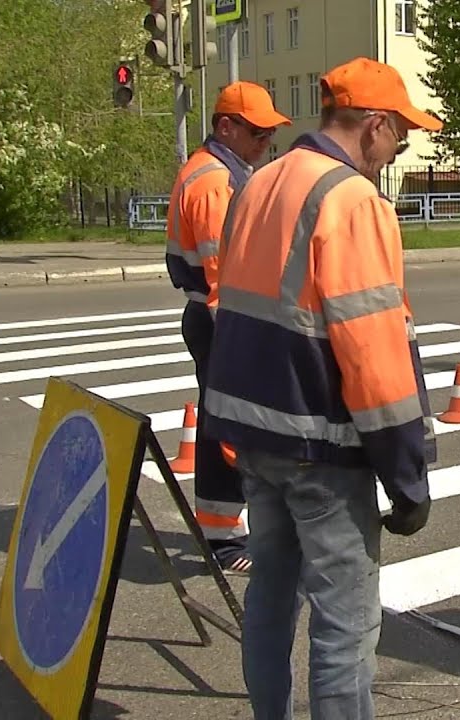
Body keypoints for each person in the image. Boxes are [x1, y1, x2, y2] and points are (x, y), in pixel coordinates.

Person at [202, 57, 442, 720]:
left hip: (256, 436)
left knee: (272, 597)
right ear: (374, 125)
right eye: (401, 135)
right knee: (345, 628)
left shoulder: (258, 181)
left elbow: (233, 306)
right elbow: (374, 353)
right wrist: (409, 477)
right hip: (321, 447)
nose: (400, 149)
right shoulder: (353, 199)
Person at [164, 80, 290, 573]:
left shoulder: (211, 172)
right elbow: (225, 275)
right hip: (221, 320)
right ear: (226, 127)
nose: (265, 144)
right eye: (258, 133)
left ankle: (222, 531)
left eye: (269, 135)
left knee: (223, 423)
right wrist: (245, 339)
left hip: (210, 316)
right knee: (231, 428)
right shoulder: (217, 183)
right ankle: (224, 540)